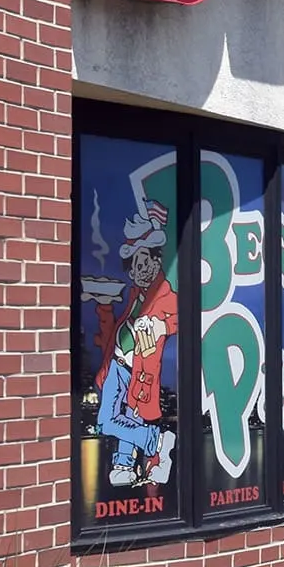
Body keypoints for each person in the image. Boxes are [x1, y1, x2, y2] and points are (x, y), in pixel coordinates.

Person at [85, 199, 179, 487]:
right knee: (118, 417)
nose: (137, 271)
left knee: (119, 417)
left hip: (139, 369)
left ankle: (149, 446)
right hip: (117, 364)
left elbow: (181, 316)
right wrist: (103, 306)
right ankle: (131, 462)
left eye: (142, 263)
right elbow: (118, 329)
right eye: (133, 266)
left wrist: (161, 326)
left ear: (156, 261)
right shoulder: (136, 293)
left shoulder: (165, 294)